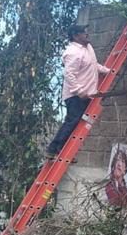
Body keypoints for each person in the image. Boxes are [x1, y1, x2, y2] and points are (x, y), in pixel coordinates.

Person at [46, 24, 110, 159]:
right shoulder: (73, 53)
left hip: (87, 93)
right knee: (72, 121)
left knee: (78, 123)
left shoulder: (88, 48)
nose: (87, 34)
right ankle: (54, 149)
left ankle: (62, 151)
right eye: (83, 33)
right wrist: (79, 91)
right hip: (75, 95)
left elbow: (92, 65)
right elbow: (69, 74)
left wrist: (106, 71)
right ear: (75, 36)